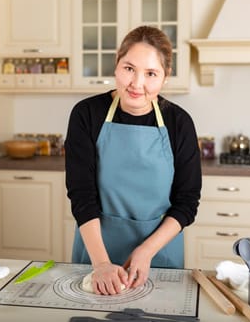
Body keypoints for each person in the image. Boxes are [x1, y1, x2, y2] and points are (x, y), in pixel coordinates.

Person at [65, 25, 201, 295]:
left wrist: (146, 251)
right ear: (116, 65)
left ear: (165, 77)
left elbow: (186, 202)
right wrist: (102, 263)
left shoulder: (179, 123)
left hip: (158, 257)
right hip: (96, 254)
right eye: (129, 68)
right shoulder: (86, 114)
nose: (136, 84)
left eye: (151, 73)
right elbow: (81, 195)